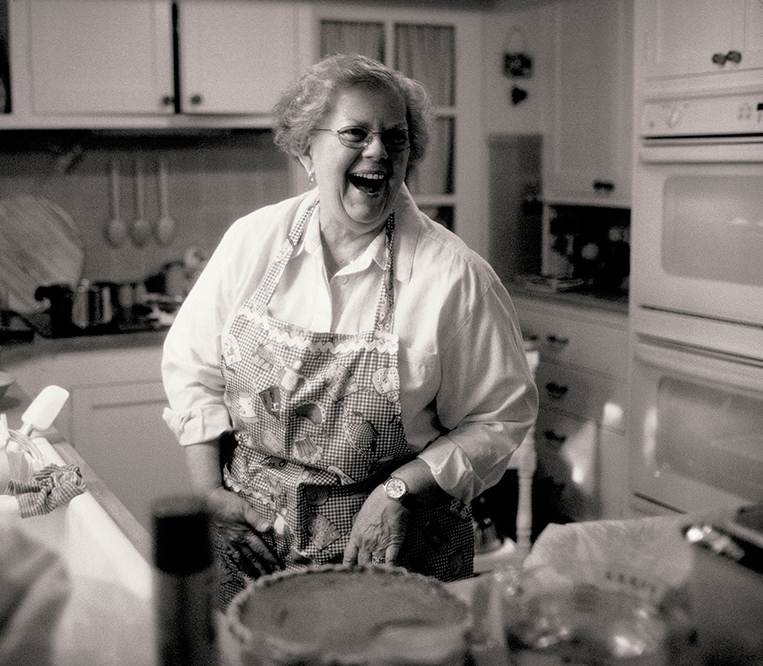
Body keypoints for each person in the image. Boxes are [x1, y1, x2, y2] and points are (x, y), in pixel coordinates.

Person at [161, 53, 538, 607]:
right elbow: (193, 366)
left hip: (393, 560)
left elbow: (500, 418)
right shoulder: (252, 242)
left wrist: (398, 491)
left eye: (395, 138)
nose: (379, 151)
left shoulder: (453, 275)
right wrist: (211, 492)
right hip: (251, 552)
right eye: (355, 133)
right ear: (305, 149)